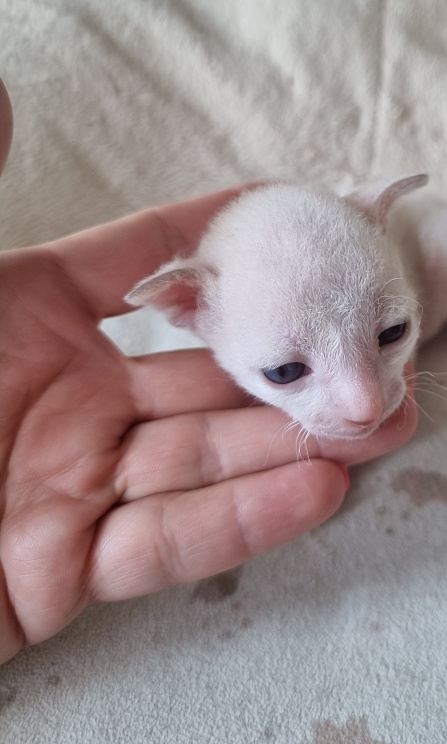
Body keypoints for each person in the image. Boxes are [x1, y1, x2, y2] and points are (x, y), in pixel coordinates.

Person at [0, 80, 417, 665]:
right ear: (188, 308)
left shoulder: (380, 254)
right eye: (288, 369)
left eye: (393, 331)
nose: (367, 405)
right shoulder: (203, 296)